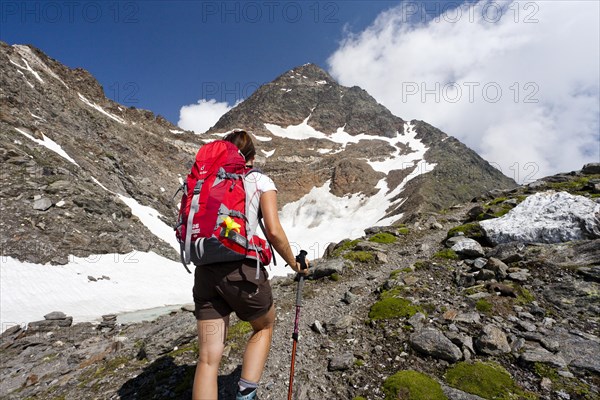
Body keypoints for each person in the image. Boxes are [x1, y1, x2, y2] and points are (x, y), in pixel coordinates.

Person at [192, 130, 309, 400]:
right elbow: (274, 230)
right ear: (252, 158)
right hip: (241, 271)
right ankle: (245, 395)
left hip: (205, 275)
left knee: (208, 359)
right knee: (264, 326)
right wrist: (294, 264)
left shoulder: (207, 181)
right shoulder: (258, 179)